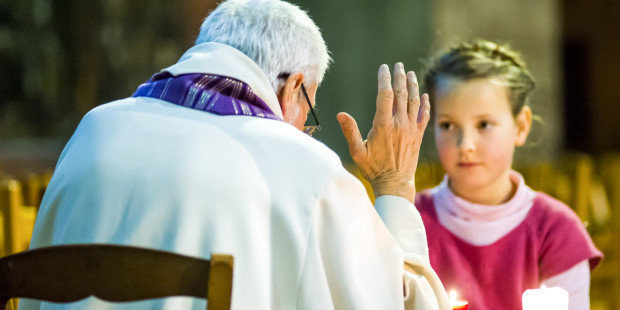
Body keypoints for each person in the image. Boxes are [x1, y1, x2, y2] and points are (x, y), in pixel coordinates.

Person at [22, 0, 451, 309]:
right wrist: (393, 186)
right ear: (292, 85)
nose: (303, 127)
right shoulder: (304, 167)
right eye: (309, 110)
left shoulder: (95, 128)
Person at [416, 39, 603, 310]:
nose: (465, 144)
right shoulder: (412, 220)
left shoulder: (555, 231)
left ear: (521, 126)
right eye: (447, 125)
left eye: (483, 124)